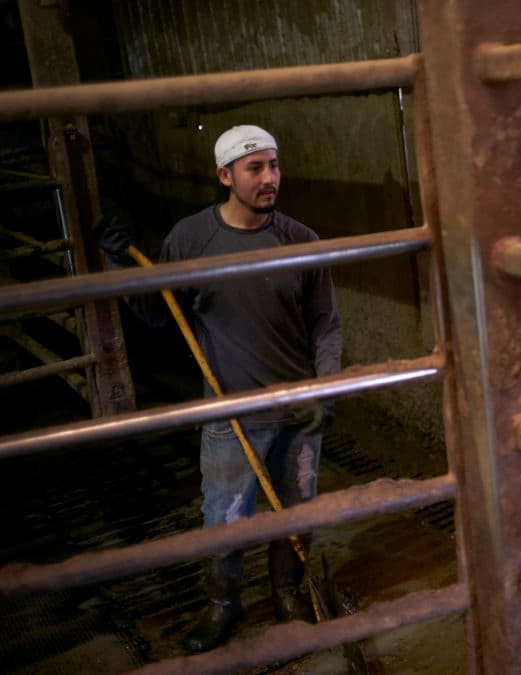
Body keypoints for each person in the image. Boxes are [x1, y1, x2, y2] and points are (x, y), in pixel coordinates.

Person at [93, 125, 342, 653]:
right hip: (231, 412)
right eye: (255, 168)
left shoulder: (301, 240)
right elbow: (158, 317)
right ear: (225, 175)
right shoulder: (190, 239)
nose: (269, 177)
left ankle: (287, 595)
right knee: (224, 519)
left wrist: (326, 389)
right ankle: (221, 605)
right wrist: (118, 262)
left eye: (274, 165)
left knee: (295, 513)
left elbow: (326, 323)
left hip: (297, 410)